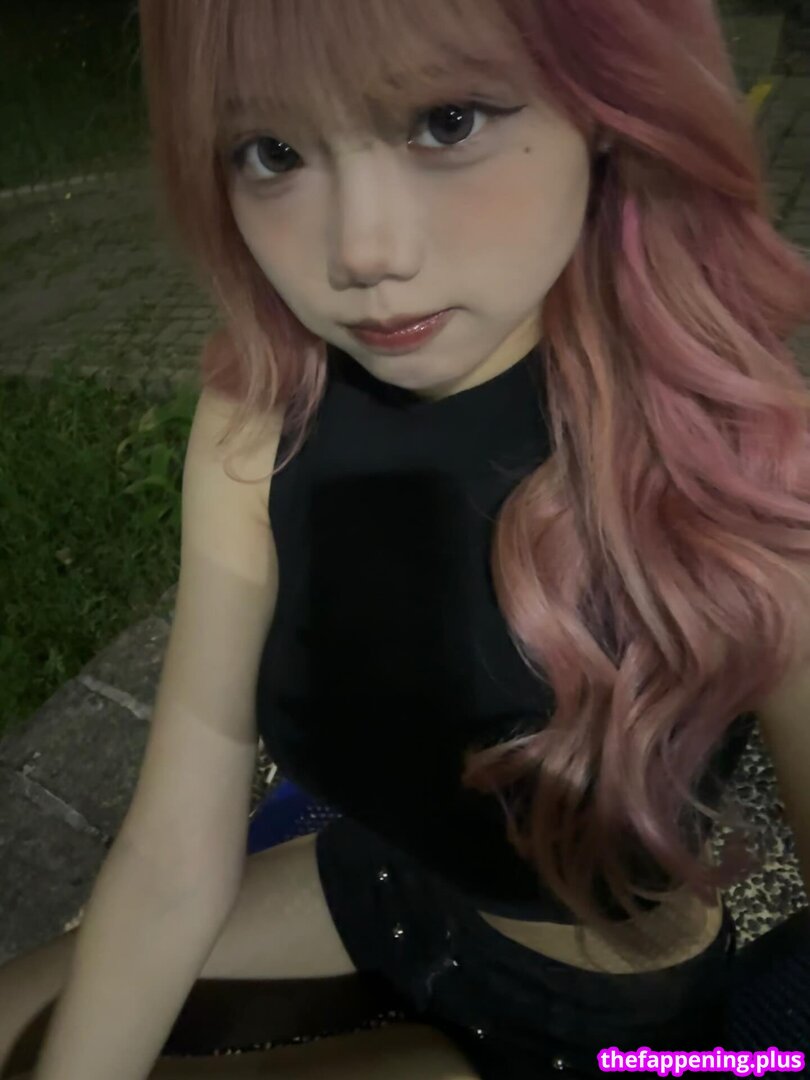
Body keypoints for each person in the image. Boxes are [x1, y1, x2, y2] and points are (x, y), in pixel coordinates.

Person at [3, 0, 810, 1077]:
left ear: (605, 105)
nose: (361, 253)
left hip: (601, 1015)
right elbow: (171, 853)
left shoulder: (735, 455)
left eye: (447, 121)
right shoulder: (262, 413)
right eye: (273, 151)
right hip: (381, 886)